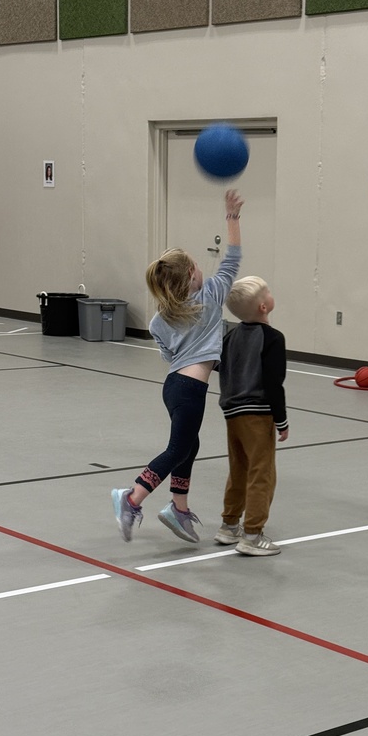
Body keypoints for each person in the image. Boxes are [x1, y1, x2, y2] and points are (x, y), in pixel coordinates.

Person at [111, 189, 244, 543]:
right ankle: (132, 497)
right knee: (178, 449)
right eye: (198, 265)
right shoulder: (211, 297)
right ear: (191, 273)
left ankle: (179, 509)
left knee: (190, 445)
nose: (203, 269)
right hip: (190, 390)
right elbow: (232, 259)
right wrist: (232, 218)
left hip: (174, 387)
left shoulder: (160, 319)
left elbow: (170, 356)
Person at [214, 276, 288, 557]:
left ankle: (229, 525)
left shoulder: (231, 336)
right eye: (268, 291)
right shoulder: (272, 339)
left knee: (239, 468)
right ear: (263, 307)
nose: (271, 294)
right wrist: (280, 419)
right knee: (262, 472)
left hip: (232, 414)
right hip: (258, 415)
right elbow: (273, 383)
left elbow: (223, 368)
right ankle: (253, 534)